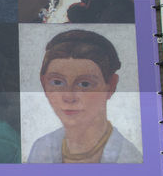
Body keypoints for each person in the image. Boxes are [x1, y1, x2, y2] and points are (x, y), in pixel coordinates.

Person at [27, 29, 141, 164]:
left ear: (111, 85)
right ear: (43, 83)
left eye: (84, 84)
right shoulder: (40, 148)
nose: (69, 97)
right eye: (57, 82)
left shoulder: (129, 158)